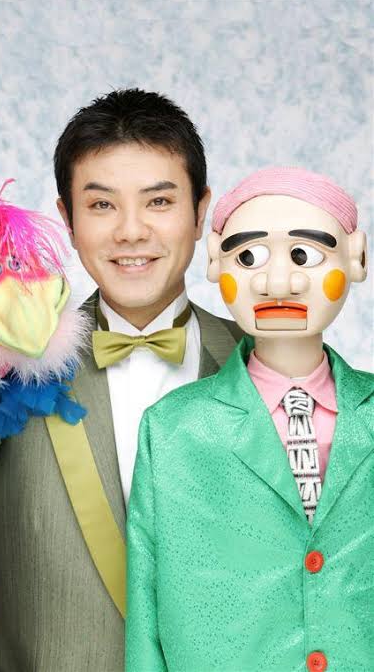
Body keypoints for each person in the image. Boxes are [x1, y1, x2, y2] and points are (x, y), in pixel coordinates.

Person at [0, 88, 242, 672]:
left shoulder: (266, 365)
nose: (131, 232)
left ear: (201, 212)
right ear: (67, 219)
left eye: (159, 201)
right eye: (101, 205)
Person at [126, 167, 373, 672]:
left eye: (304, 255)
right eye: (249, 257)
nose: (278, 281)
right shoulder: (173, 430)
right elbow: (145, 606)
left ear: (356, 257)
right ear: (216, 261)